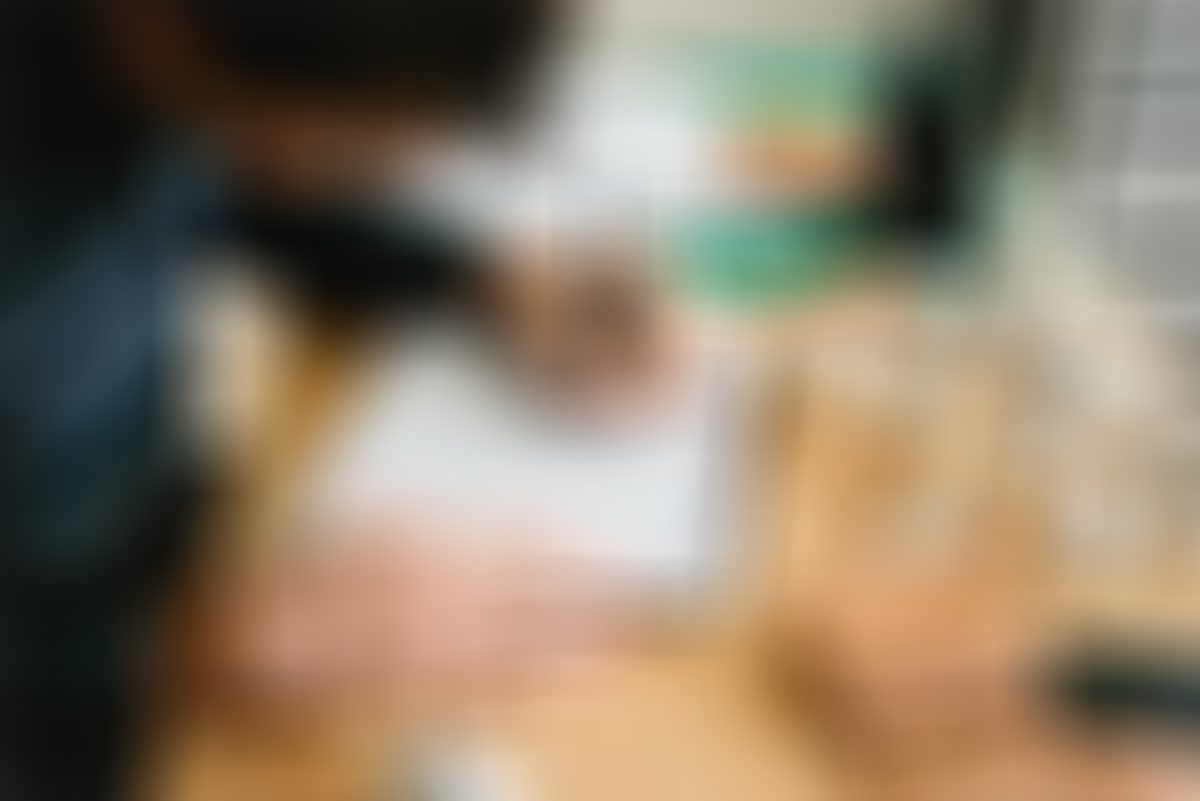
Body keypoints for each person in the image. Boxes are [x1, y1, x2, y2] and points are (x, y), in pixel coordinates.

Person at [0, 0, 559, 797]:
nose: (403, 167)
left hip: (154, 539)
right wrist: (157, 645)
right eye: (369, 131)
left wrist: (478, 277)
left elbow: (235, 193)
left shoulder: (162, 73)